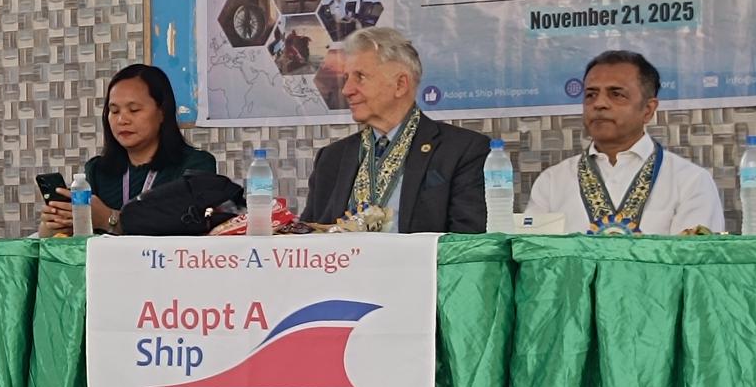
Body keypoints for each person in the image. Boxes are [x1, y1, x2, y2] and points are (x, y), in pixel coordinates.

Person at [302, 27, 489, 233]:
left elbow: (466, 242)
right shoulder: (331, 158)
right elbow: (307, 235)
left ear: (400, 85)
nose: (346, 90)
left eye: (360, 77)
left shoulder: (462, 151)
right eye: (346, 78)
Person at [527, 51, 722, 235]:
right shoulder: (551, 182)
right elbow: (533, 254)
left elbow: (693, 255)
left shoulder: (690, 181)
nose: (599, 104)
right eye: (591, 95)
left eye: (616, 94)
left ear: (648, 109)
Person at [39, 64, 216, 236]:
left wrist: (110, 220)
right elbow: (75, 238)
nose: (122, 120)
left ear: (162, 112)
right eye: (114, 111)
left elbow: (189, 227)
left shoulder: (195, 166)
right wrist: (57, 225)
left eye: (134, 110)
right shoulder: (97, 170)